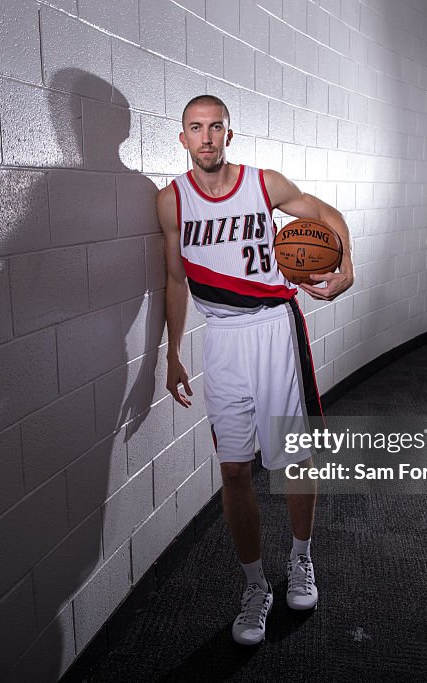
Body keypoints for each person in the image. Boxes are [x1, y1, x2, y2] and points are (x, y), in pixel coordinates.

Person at [156, 94, 354, 646]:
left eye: (215, 127)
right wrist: (173, 352)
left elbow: (325, 215)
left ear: (229, 133)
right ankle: (253, 586)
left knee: (292, 460)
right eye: (195, 128)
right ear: (183, 138)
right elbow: (175, 281)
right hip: (220, 339)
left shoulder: (262, 183)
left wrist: (349, 266)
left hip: (275, 328)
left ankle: (300, 559)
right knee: (235, 471)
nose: (207, 137)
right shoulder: (170, 203)